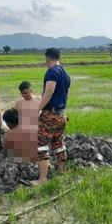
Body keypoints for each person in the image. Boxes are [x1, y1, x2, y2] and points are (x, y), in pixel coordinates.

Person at [31, 48, 71, 186]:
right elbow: (66, 96)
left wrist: (38, 109)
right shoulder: (66, 74)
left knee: (41, 144)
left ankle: (42, 179)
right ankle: (61, 172)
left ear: (47, 59)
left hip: (50, 115)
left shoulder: (52, 72)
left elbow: (49, 92)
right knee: (58, 143)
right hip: (61, 114)